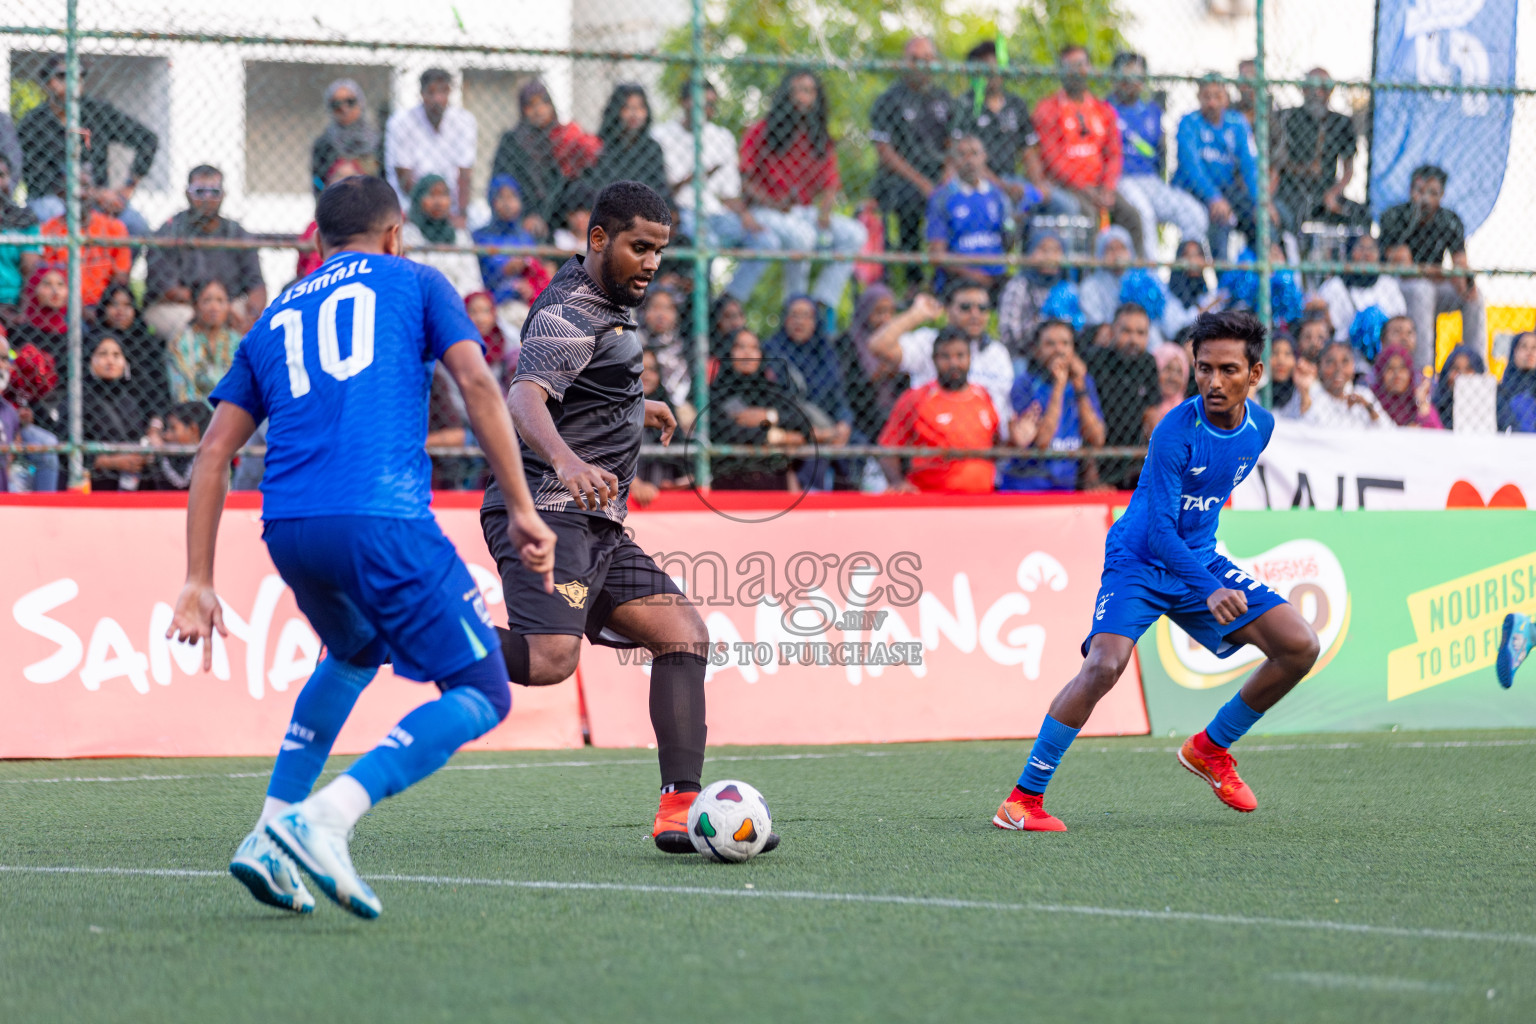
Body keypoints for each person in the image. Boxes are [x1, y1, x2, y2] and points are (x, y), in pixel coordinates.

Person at [168, 174, 555, 919]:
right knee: (482, 691)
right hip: (380, 518)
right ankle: (327, 816)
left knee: (352, 653)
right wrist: (523, 504)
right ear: (394, 233)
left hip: (287, 529)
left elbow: (213, 453)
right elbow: (476, 382)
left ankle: (265, 832)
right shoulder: (416, 279)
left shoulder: (275, 310)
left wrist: (198, 578)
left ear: (315, 242)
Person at [475, 180, 780, 856]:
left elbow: (591, 386)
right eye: (639, 248)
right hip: (551, 514)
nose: (650, 263)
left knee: (682, 634)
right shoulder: (565, 313)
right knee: (551, 660)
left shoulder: (613, 300)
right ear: (598, 239)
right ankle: (415, 627)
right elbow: (524, 400)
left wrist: (642, 412)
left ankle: (679, 811)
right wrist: (567, 461)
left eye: (659, 251)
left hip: (598, 524)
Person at [994, 310, 1318, 832]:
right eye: (1204, 368)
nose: (1214, 381)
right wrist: (1209, 588)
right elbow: (1161, 531)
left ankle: (1211, 749)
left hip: (1198, 559)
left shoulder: (1262, 427)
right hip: (1140, 560)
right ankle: (1022, 801)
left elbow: (1201, 510)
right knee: (1103, 666)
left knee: (1299, 645)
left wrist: (1207, 575)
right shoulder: (1174, 432)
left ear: (1255, 375)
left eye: (1228, 370)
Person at [740, 71, 867, 310]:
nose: (801, 97)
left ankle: (820, 303)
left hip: (805, 213)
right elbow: (743, 180)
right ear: (785, 96)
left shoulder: (819, 137)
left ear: (817, 98)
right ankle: (795, 305)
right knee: (803, 237)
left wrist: (824, 215)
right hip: (765, 210)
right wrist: (772, 202)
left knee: (855, 234)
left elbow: (830, 186)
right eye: (796, 90)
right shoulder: (762, 130)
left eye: (808, 91)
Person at [651, 79, 776, 305]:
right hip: (682, 211)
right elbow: (660, 191)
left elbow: (729, 194)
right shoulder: (660, 136)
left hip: (715, 213)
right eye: (699, 104)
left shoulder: (722, 137)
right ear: (684, 102)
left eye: (710, 105)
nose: (705, 110)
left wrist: (745, 216)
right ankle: (702, 306)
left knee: (766, 241)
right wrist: (694, 177)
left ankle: (729, 302)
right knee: (705, 240)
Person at [18, 55, 158, 236]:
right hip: (55, 200)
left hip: (98, 203)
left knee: (135, 225)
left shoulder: (97, 111)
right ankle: (58, 264)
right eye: (63, 76)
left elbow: (147, 140)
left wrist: (127, 189)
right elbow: (40, 181)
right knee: (49, 211)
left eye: (79, 75)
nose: (72, 82)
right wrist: (95, 193)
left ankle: (110, 265)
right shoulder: (33, 123)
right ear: (47, 83)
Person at [1032, 45, 1143, 256]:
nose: (1077, 71)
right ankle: (1090, 279)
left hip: (1101, 187)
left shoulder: (1103, 110)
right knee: (1089, 218)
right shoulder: (1047, 109)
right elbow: (1052, 159)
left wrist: (1108, 188)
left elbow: (1113, 154)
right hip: (1067, 187)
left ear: (1090, 69)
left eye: (1081, 65)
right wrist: (1085, 189)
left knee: (1132, 216)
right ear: (1061, 71)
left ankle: (1138, 276)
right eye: (1071, 66)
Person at [1379, 165, 1485, 372]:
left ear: (1442, 195)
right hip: (1399, 287)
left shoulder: (1449, 220)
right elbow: (1404, 264)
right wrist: (1439, 273)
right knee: (1422, 289)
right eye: (1420, 191)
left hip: (1435, 283)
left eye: (1433, 193)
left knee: (1475, 297)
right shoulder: (1395, 216)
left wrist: (1465, 282)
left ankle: (1476, 368)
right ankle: (1423, 373)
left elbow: (1460, 263)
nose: (1426, 199)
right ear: (1411, 191)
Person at [870, 36, 954, 290]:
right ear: (903, 62)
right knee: (909, 200)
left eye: (928, 59)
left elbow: (954, 144)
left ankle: (947, 280)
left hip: (940, 173)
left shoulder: (944, 97)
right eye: (915, 59)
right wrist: (922, 183)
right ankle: (913, 281)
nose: (922, 65)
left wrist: (946, 179)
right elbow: (885, 151)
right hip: (900, 177)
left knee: (958, 200)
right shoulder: (888, 100)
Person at [144, 165, 267, 339]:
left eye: (214, 191)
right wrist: (211, 307)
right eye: (200, 191)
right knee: (183, 322)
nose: (207, 198)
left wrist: (251, 317)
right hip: (182, 305)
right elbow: (168, 290)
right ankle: (188, 365)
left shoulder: (237, 233)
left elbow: (257, 286)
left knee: (252, 320)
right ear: (187, 194)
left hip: (229, 302)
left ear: (223, 195)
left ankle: (237, 365)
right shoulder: (170, 230)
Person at [1109, 52, 1208, 260]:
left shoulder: (1152, 111)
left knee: (1195, 214)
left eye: (1137, 77)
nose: (1131, 83)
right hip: (1121, 179)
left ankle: (1182, 277)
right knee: (1143, 214)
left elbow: (1160, 155)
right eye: (1125, 77)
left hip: (1150, 180)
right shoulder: (1106, 108)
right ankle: (1151, 277)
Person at [865, 283, 1013, 423]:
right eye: (965, 307)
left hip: (983, 440)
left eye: (982, 308)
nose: (975, 314)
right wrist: (916, 314)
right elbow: (879, 345)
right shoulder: (928, 341)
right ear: (948, 310)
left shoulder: (997, 353)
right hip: (931, 437)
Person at [878, 328, 1002, 494]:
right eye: (945, 356)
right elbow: (888, 447)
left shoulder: (984, 397)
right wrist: (898, 483)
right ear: (934, 360)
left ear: (970, 358)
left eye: (960, 356)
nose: (953, 363)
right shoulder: (916, 398)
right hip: (931, 501)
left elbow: (997, 444)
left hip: (981, 500)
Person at [999, 318, 1104, 491]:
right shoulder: (1024, 384)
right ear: (1037, 350)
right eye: (1050, 344)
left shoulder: (1084, 383)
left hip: (1065, 487)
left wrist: (1079, 386)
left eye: (1065, 344)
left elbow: (1097, 438)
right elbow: (1042, 443)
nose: (1058, 350)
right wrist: (1059, 387)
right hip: (1025, 486)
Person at [951, 40, 1056, 212]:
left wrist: (1039, 185)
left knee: (1064, 205)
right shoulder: (965, 105)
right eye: (984, 68)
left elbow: (1028, 150)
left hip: (1013, 180)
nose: (991, 73)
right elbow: (961, 157)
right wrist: (1002, 186)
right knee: (1007, 208)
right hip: (977, 181)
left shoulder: (1016, 104)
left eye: (995, 66)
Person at [491, 80, 601, 240]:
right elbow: (503, 180)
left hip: (559, 216)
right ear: (523, 109)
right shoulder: (512, 141)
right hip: (522, 215)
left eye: (543, 104)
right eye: (531, 106)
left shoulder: (562, 137)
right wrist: (527, 215)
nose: (538, 111)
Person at [1173, 75, 1266, 262]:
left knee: (1262, 218)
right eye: (1207, 96)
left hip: (1227, 190)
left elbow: (1250, 166)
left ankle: (1259, 276)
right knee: (1220, 220)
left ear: (1227, 98)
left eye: (1217, 96)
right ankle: (1223, 283)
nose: (1212, 102)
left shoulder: (1237, 123)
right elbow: (1192, 169)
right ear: (1199, 98)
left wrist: (1260, 202)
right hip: (1193, 191)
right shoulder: (1189, 123)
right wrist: (1213, 197)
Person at [708, 327, 810, 491]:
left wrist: (769, 416)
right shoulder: (716, 394)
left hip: (774, 480)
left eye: (754, 348)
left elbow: (803, 425)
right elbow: (724, 433)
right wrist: (777, 436)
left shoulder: (773, 391)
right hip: (730, 481)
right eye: (740, 347)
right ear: (729, 353)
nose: (747, 353)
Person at [1273, 68, 1365, 229]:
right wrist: (1303, 169)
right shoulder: (1287, 117)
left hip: (1325, 190)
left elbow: (1348, 169)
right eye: (1311, 87)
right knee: (1289, 215)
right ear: (1303, 89)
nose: (1317, 93)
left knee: (1360, 214)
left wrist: (1334, 193)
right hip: (1291, 191)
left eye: (1323, 88)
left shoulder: (1341, 122)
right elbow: (1276, 162)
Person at [762, 295, 854, 449]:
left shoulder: (826, 354)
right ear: (785, 319)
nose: (799, 322)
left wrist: (844, 424)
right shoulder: (771, 351)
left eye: (806, 316)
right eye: (794, 315)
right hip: (789, 427)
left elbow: (839, 399)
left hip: (825, 424)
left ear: (815, 321)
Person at [384, 68, 476, 222]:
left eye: (443, 92)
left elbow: (464, 175)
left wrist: (459, 214)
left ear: (449, 93)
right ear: (422, 94)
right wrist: (430, 206)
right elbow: (404, 177)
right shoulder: (401, 122)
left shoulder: (464, 121)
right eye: (431, 92)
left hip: (449, 209)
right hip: (411, 208)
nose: (437, 99)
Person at [1083, 302, 1159, 488]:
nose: (1133, 339)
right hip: (1096, 454)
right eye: (1126, 331)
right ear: (1112, 332)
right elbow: (1084, 418)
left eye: (1141, 333)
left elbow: (1150, 416)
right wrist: (1091, 476)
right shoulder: (1095, 360)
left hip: (1132, 456)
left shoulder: (1148, 363)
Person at [925, 134, 1010, 296]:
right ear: (953, 160)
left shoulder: (998, 196)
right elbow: (937, 254)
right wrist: (973, 274)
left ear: (985, 157)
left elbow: (1008, 240)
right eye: (963, 155)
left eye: (975, 154)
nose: (970, 161)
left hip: (996, 275)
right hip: (960, 277)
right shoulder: (942, 198)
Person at [39, 175, 132, 309]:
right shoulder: (48, 231)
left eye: (85, 187)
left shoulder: (114, 228)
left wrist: (104, 310)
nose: (80, 193)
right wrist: (80, 310)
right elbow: (49, 282)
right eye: (73, 186)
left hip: (103, 306)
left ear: (94, 191)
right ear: (61, 193)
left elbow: (120, 278)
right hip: (62, 306)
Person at [81, 333, 148, 491]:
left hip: (132, 480)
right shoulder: (79, 398)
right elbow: (68, 452)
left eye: (116, 355)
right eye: (102, 354)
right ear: (90, 360)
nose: (110, 361)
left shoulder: (131, 398)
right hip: (95, 484)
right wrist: (112, 462)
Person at [1315, 233, 1405, 343]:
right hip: (1343, 349)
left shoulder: (1388, 284)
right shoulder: (1334, 286)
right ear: (1349, 252)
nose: (1366, 254)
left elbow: (1399, 318)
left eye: (1371, 249)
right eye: (1360, 248)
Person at [836, 284, 898, 442]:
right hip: (859, 417)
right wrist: (877, 375)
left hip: (891, 416)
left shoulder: (898, 343)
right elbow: (846, 387)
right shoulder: (848, 342)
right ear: (865, 311)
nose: (885, 319)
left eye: (890, 312)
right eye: (879, 312)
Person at [95, 283, 167, 418]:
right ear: (104, 308)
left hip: (145, 413)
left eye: (127, 305)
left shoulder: (147, 344)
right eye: (113, 304)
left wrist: (156, 422)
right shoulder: (93, 342)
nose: (120, 310)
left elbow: (159, 388)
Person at [998, 231, 1076, 354]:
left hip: (1062, 352)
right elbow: (1008, 333)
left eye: (1056, 250)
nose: (1050, 256)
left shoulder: (1067, 287)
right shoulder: (1019, 286)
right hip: (1025, 353)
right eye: (1043, 250)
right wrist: (1038, 327)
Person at [401, 175, 480, 296]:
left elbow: (472, 279)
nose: (438, 202)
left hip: (458, 300)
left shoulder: (460, 235)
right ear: (419, 198)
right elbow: (416, 275)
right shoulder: (409, 234)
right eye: (431, 195)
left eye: (443, 195)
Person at [1284, 340, 1391, 428]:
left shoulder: (1364, 394)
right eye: (1330, 362)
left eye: (1345, 361)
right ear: (1319, 367)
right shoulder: (1311, 393)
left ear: (1353, 366)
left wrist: (1368, 408)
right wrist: (1304, 394)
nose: (1338, 369)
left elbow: (1388, 430)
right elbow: (1304, 430)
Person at [587, 84, 667, 197]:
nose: (634, 114)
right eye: (627, 107)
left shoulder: (652, 148)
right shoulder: (601, 145)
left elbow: (660, 188)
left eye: (640, 107)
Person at [168, 279, 240, 403]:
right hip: (193, 414)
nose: (214, 307)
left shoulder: (237, 342)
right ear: (195, 306)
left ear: (229, 306)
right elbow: (182, 392)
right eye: (207, 301)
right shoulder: (181, 342)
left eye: (220, 301)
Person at [311, 79, 382, 197]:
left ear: (360, 103)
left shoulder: (377, 140)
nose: (344, 109)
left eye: (350, 102)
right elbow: (317, 181)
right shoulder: (324, 143)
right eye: (336, 104)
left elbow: (385, 177)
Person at [0, 156, 42, 322]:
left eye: (1, 175)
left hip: (12, 303)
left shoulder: (24, 219)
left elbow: (30, 272)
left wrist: (21, 314)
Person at [143, 400, 211, 491]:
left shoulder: (212, 463)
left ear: (193, 430)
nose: (166, 435)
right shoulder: (161, 461)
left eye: (173, 429)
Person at [1372, 341, 1441, 428]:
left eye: (1402, 368)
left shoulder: (1417, 404)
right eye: (1390, 368)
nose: (1397, 375)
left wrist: (1422, 404)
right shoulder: (1372, 401)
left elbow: (1436, 435)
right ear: (1380, 373)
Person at [1078, 224, 1137, 327]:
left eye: (1122, 248)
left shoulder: (1142, 282)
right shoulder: (1090, 286)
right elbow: (1095, 323)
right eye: (1111, 249)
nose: (1117, 254)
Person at [1164, 238, 1221, 337]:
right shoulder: (1169, 294)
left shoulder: (1206, 292)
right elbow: (1174, 329)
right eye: (1188, 255)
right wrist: (1204, 310)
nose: (1193, 261)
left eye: (1197, 255)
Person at [464, 290, 518, 384]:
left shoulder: (504, 337)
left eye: (485, 311)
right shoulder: (461, 343)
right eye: (473, 312)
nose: (480, 319)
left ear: (493, 313)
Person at [1431, 344, 1486, 431]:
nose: (1461, 375)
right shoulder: (1436, 406)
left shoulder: (1491, 404)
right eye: (1456, 369)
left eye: (1468, 369)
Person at [1145, 341, 1192, 436]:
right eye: (1167, 369)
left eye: (1179, 372)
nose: (1173, 378)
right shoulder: (1143, 405)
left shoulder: (1189, 411)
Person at [1497, 332, 1536, 434]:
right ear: (1514, 352)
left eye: (1534, 347)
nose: (1529, 352)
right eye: (1524, 346)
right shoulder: (1502, 392)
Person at [1267, 332, 1296, 409]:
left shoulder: (1298, 393)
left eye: (1287, 354)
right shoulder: (1257, 391)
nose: (1281, 361)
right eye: (1275, 353)